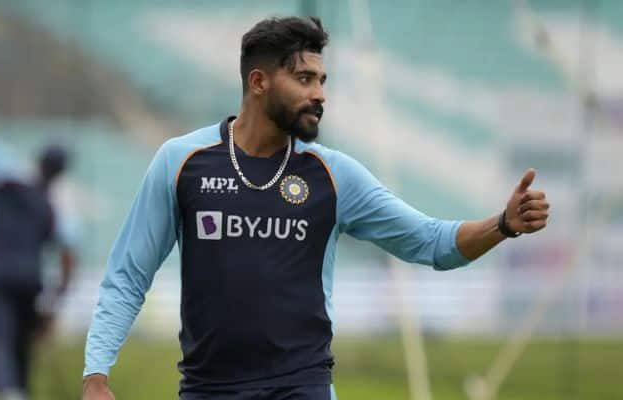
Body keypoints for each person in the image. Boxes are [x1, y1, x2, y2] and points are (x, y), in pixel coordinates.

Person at [82, 17, 549, 400]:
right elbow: (128, 275)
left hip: (302, 386)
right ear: (259, 82)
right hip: (209, 389)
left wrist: (503, 224)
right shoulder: (180, 162)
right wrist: (96, 374)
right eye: (305, 79)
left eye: (322, 80)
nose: (320, 93)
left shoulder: (334, 175)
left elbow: (432, 243)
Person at [0, 56, 78, 400]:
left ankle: (8, 392)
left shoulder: (9, 175)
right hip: (29, 279)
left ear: (37, 160)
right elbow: (67, 258)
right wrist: (53, 304)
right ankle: (18, 390)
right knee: (21, 349)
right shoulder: (58, 208)